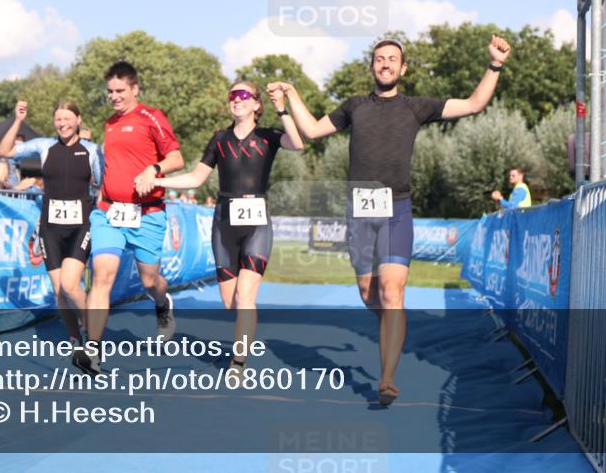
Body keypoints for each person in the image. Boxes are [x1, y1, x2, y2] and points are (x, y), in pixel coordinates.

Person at [270, 35, 512, 405]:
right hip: (360, 211)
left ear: (403, 68)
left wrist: (494, 64)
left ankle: (386, 379)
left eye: (392, 59)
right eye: (379, 58)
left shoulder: (416, 107)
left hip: (396, 209)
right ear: (372, 66)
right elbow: (314, 130)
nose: (385, 63)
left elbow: (474, 104)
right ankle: (391, 328)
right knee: (370, 294)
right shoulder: (354, 106)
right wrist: (291, 95)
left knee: (392, 292)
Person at [155, 81, 303, 376]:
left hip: (257, 225)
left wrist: (282, 109)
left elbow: (298, 143)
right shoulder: (220, 139)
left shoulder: (268, 136)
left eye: (244, 95)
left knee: (246, 296)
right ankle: (243, 337)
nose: (237, 99)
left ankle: (238, 362)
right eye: (233, 95)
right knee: (230, 301)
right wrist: (158, 181)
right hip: (224, 224)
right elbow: (196, 178)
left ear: (256, 104)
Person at [86, 61, 184, 374]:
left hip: (147, 214)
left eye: (120, 90)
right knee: (102, 276)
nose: (114, 96)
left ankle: (162, 303)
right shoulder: (110, 124)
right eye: (110, 91)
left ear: (135, 89)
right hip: (109, 213)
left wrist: (153, 169)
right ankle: (92, 351)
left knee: (149, 280)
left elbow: (176, 158)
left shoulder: (151, 117)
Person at [0, 100, 104, 373]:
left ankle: (93, 337)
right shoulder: (44, 146)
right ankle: (75, 338)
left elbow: (102, 185)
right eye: (58, 119)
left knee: (70, 285)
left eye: (67, 119)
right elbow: (4, 151)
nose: (62, 124)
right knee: (59, 291)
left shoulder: (92, 151)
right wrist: (18, 120)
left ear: (78, 120)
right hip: (50, 228)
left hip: (80, 227)